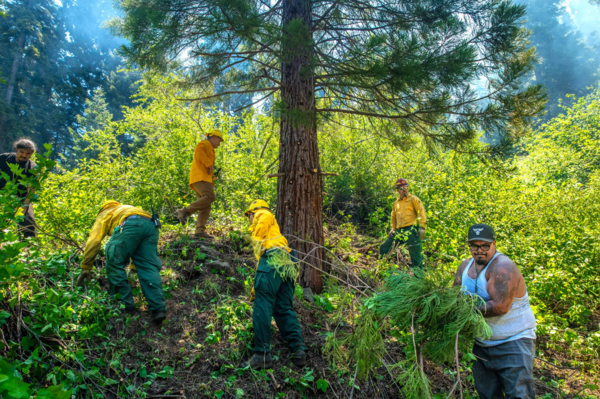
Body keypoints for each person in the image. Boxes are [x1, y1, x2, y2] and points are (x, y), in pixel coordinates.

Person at [454, 223, 536, 399]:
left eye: (485, 245)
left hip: (513, 342)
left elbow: (500, 306)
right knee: (488, 395)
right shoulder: (464, 268)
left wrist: (463, 312)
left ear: (494, 243)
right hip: (482, 345)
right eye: (475, 245)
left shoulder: (502, 267)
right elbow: (453, 300)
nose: (479, 250)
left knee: (519, 396)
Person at [76, 201, 167, 324]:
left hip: (130, 223)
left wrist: (86, 266)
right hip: (151, 225)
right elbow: (137, 240)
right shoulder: (126, 209)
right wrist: (134, 267)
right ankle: (159, 309)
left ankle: (125, 306)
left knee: (113, 260)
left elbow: (94, 240)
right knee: (148, 267)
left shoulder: (105, 213)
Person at [242, 199, 307, 370]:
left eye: (248, 216)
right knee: (283, 307)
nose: (249, 219)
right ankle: (298, 350)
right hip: (287, 263)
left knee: (263, 305)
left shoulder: (262, 214)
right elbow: (262, 271)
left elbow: (263, 221)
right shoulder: (273, 235)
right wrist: (255, 288)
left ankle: (261, 354)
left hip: (273, 258)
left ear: (251, 212)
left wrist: (253, 240)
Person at [177, 129, 224, 239]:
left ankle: (200, 231)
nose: (219, 143)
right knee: (210, 197)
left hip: (203, 179)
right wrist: (208, 163)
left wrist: (211, 178)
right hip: (200, 178)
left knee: (205, 205)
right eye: (219, 140)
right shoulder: (205, 143)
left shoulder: (210, 148)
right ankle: (185, 211)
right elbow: (198, 150)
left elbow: (206, 167)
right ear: (214, 137)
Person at [379, 178, 426, 267]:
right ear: (397, 190)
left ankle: (418, 276)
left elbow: (421, 212)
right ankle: (382, 268)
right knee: (385, 246)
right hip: (400, 231)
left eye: (406, 187)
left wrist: (422, 227)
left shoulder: (413, 199)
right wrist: (393, 229)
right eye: (401, 188)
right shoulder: (396, 203)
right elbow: (393, 217)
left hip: (412, 229)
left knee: (415, 251)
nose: (404, 190)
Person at [0, 138, 38, 239]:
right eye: (22, 152)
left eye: (28, 153)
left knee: (29, 223)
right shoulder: (3, 159)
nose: (24, 155)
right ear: (16, 149)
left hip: (22, 198)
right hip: (2, 195)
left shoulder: (33, 168)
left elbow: (32, 189)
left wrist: (24, 206)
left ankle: (28, 249)